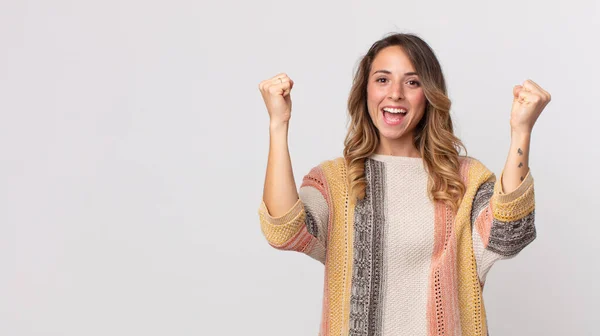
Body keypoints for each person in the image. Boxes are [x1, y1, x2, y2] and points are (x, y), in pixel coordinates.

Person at [257, 33, 550, 336]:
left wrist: (521, 131)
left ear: (429, 94)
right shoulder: (335, 180)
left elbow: (510, 235)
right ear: (365, 91)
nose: (395, 93)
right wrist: (278, 124)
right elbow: (284, 230)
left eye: (412, 82)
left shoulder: (464, 179)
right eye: (382, 80)